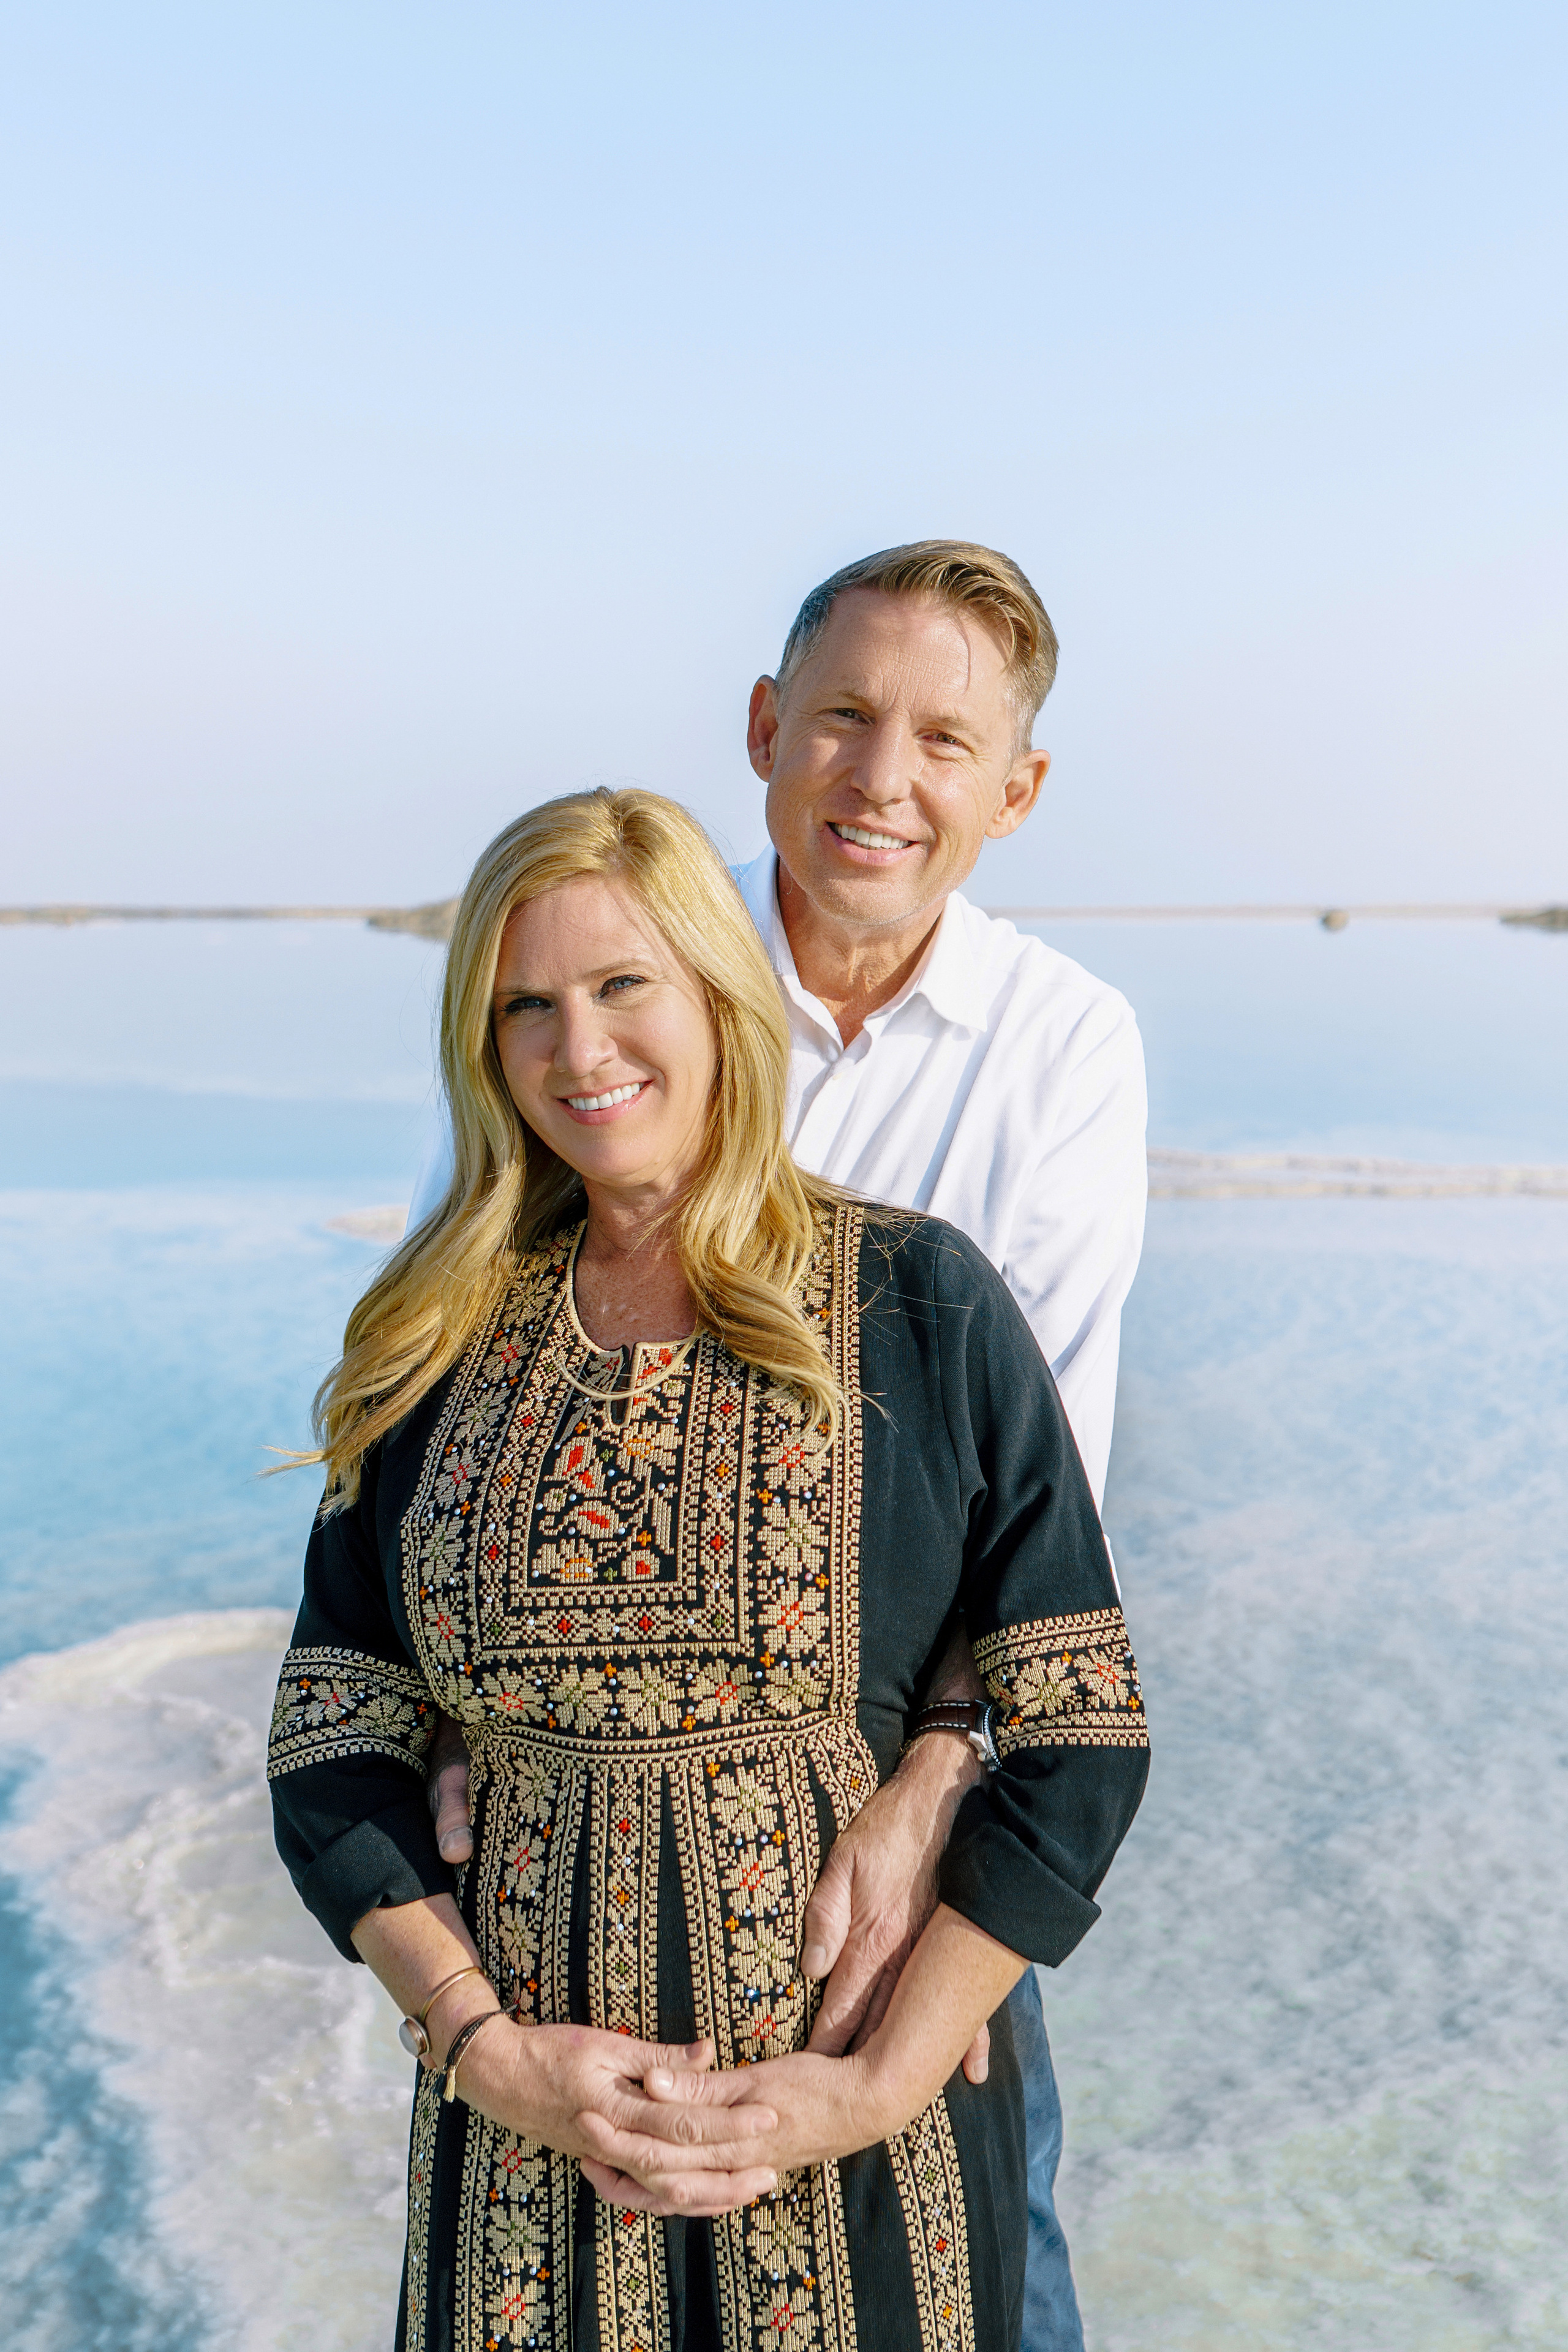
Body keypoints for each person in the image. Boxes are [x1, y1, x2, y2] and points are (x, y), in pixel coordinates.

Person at [268, 786, 1148, 2351]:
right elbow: (333, 1740)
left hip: (865, 2177)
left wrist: (869, 2087)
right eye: (523, 1006)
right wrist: (484, 2053)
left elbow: (1080, 1729)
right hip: (523, 2189)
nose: (578, 1051)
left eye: (621, 988)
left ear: (716, 994)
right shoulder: (434, 1337)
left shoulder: (919, 1300)